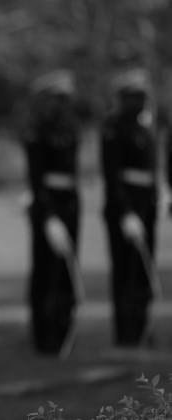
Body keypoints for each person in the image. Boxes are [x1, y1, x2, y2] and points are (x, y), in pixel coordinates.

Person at [21, 70, 81, 355]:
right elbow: (37, 178)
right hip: (49, 209)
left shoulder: (69, 130)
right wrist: (48, 216)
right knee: (46, 273)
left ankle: (63, 330)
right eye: (58, 99)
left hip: (69, 205)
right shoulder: (37, 133)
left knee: (66, 272)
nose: (63, 105)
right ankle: (44, 337)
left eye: (65, 99)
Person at [100, 68, 158, 347]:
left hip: (146, 206)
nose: (143, 101)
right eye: (137, 96)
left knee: (144, 271)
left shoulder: (144, 127)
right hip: (126, 210)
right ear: (123, 98)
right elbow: (112, 175)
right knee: (126, 271)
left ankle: (142, 328)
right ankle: (126, 333)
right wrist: (125, 212)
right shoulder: (114, 127)